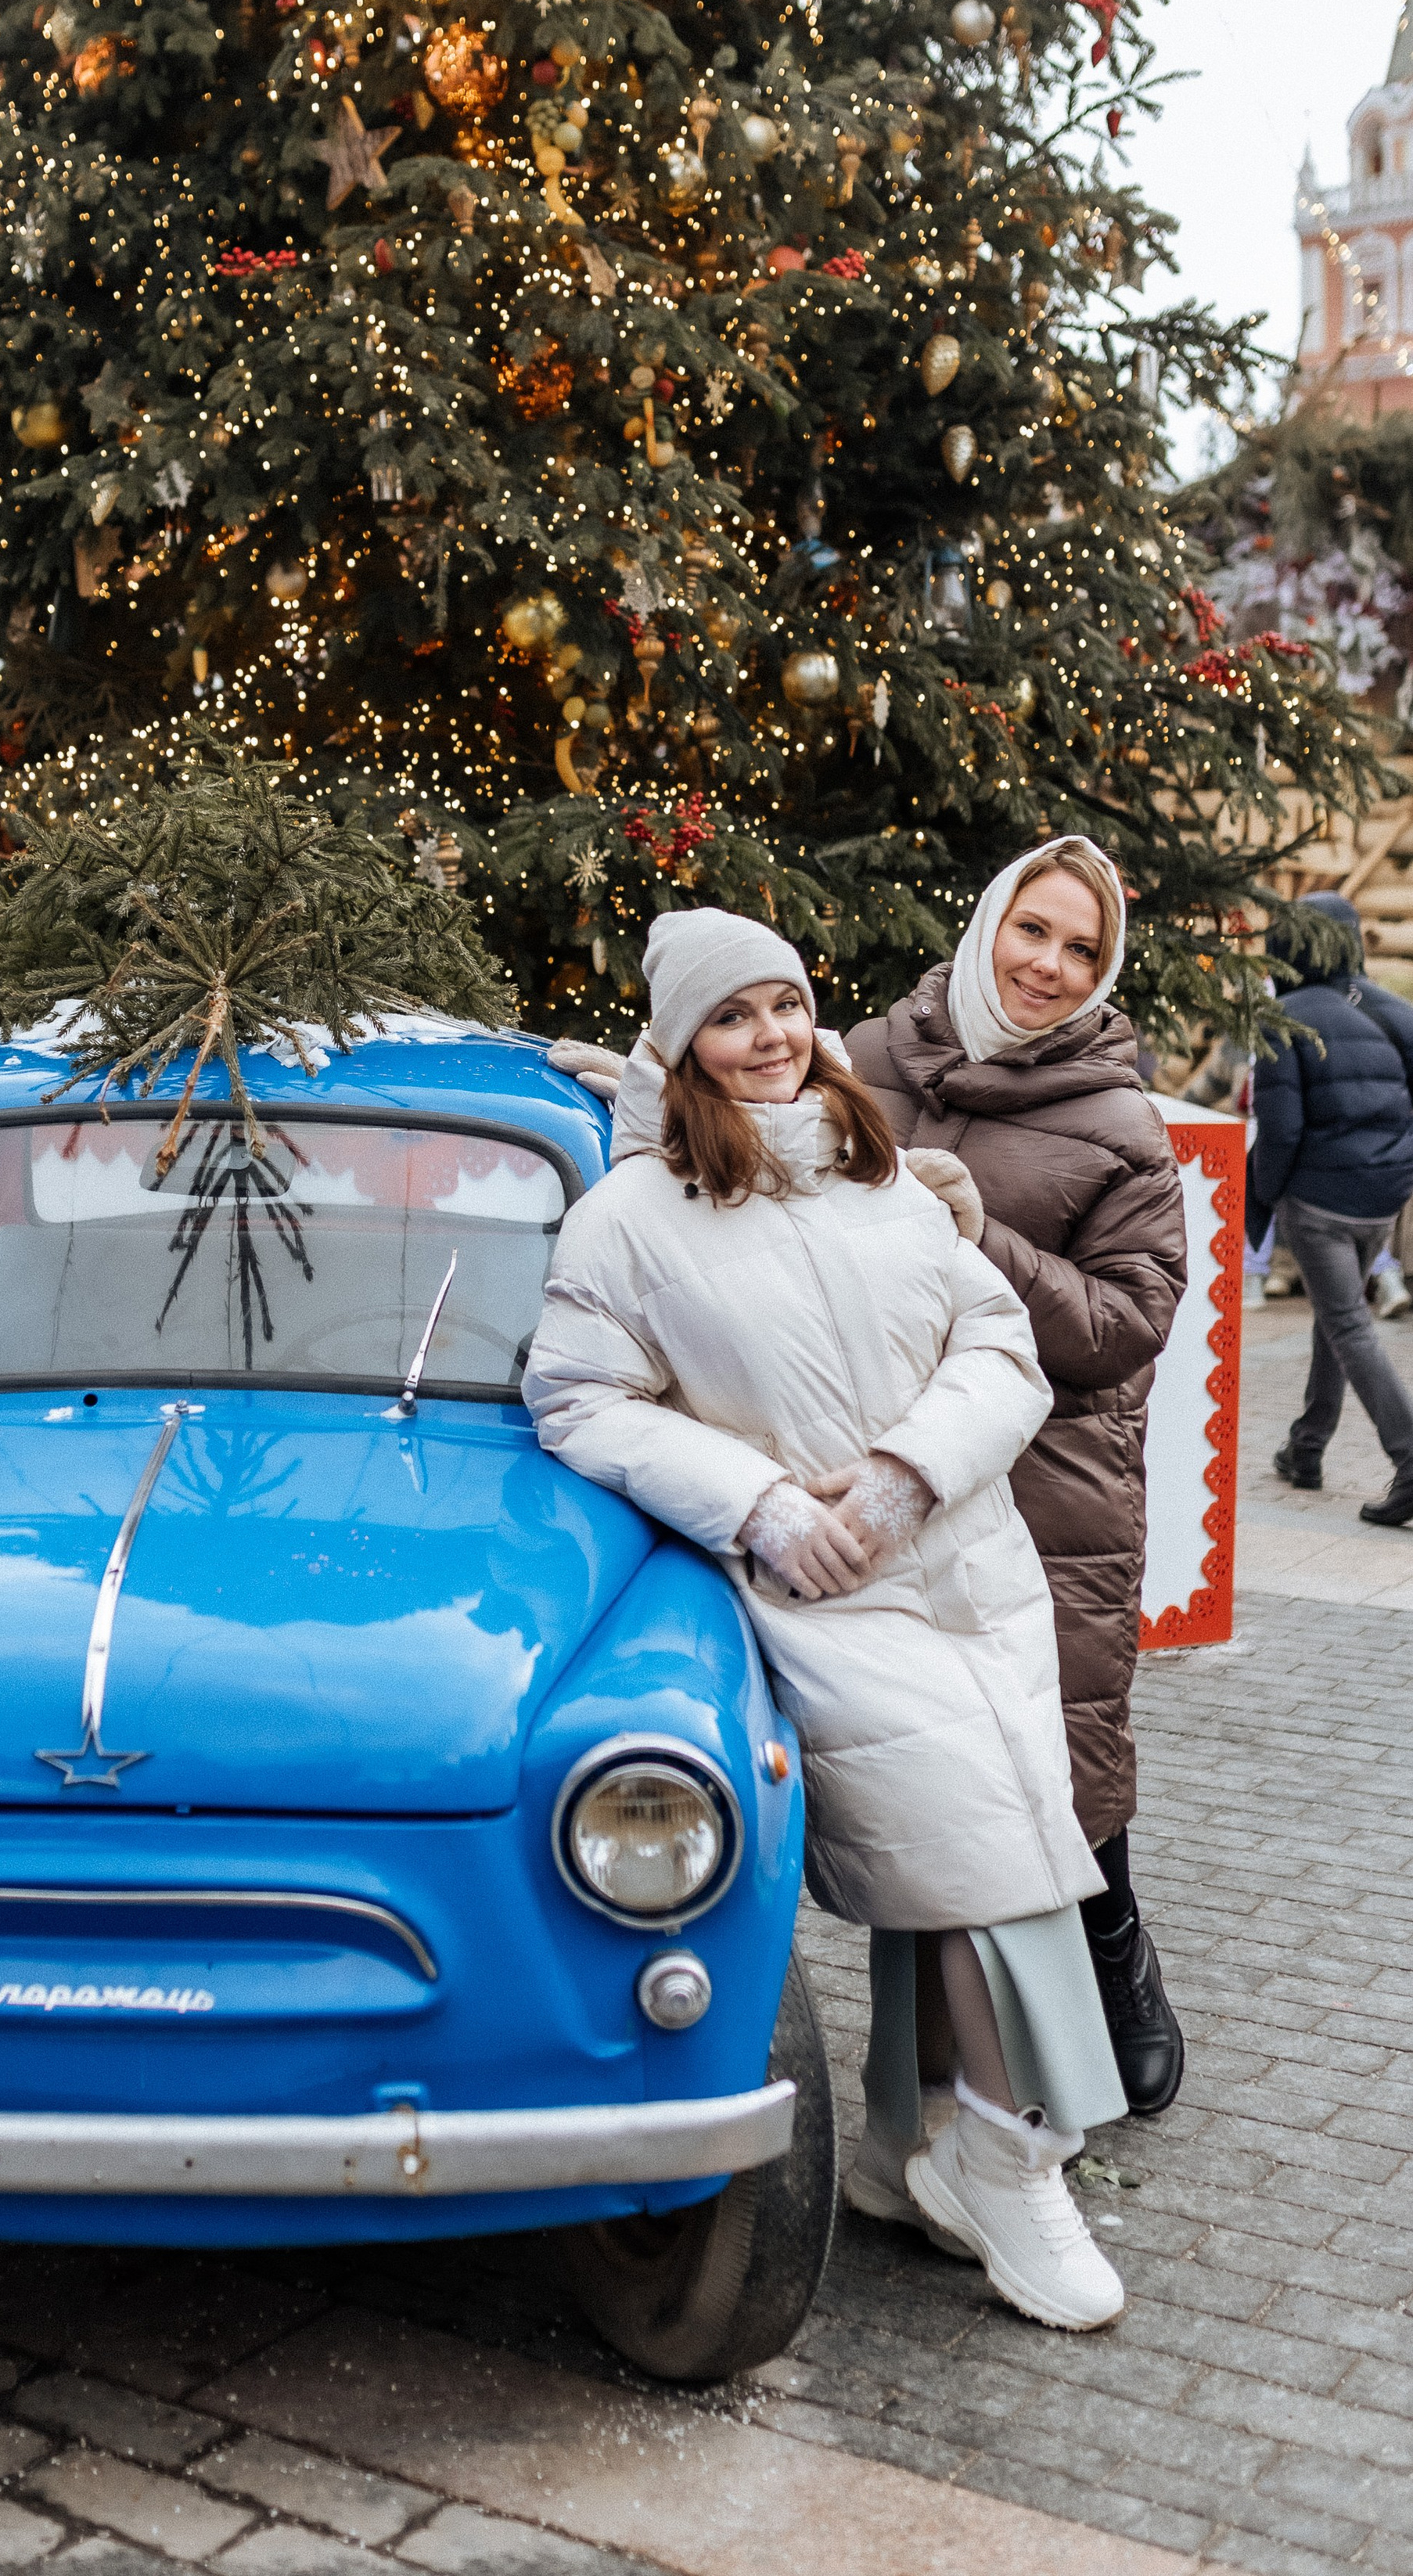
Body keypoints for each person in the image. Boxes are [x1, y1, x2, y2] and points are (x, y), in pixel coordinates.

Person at [527, 911, 1128, 2333]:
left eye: (788, 1005)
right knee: (989, 1878)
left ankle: (901, 2149)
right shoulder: (628, 1215)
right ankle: (1012, 2159)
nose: (773, 1038)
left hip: (973, 1570)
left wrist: (915, 1467)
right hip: (836, 1595)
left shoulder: (885, 1179)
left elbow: (999, 1347)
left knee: (974, 1868)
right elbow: (578, 1401)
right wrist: (762, 1508)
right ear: (682, 1045)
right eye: (733, 1017)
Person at [845, 841, 1188, 2121]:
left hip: (1053, 1476)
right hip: (885, 1460)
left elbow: (1125, 1323)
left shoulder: (1121, 1124)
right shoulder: (867, 1062)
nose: (1049, 964)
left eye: (1082, 949)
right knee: (919, 1751)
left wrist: (974, 1238)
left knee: (1062, 1740)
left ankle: (1119, 1957)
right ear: (986, 924)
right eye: (1031, 931)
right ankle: (954, 2047)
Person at [1246, 890, 1413, 1527]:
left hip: (1318, 1199)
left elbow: (1280, 1128)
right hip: (1383, 1198)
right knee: (1334, 1315)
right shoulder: (1396, 1011)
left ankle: (1409, 1458)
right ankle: (1307, 1447)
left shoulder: (1281, 1015)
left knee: (1348, 1324)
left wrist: (1267, 1194)